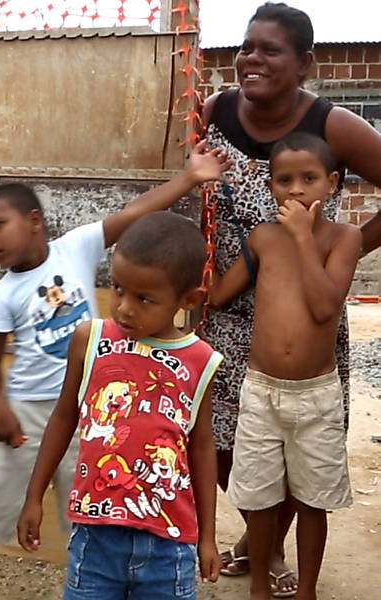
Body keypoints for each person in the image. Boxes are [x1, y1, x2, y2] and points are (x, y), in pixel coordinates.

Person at [0, 142, 230, 600]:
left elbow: (134, 213)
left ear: (35, 221)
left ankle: (100, 570)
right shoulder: (7, 294)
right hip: (34, 409)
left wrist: (188, 178)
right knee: (1, 495)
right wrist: (1, 409)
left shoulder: (76, 248)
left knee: (92, 492)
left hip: (99, 410)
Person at [200, 4, 381, 594]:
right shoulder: (217, 110)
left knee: (302, 447)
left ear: (304, 62)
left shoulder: (336, 127)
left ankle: (269, 550)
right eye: (246, 46)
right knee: (227, 438)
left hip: (306, 303)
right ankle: (260, 536)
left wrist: (338, 251)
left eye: (269, 49)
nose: (251, 58)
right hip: (234, 299)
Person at [17, 211, 223, 599]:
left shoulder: (200, 360)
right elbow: (64, 416)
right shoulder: (89, 340)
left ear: (188, 299)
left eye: (144, 298)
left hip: (170, 544)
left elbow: (201, 445)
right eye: (118, 288)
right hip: (96, 539)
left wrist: (208, 537)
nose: (125, 308)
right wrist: (34, 495)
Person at [210, 133, 359, 600]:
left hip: (316, 396)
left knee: (313, 502)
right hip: (260, 391)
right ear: (271, 185)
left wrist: (301, 237)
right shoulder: (262, 239)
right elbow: (217, 295)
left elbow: (324, 306)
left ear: (331, 183)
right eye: (284, 180)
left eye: (309, 179)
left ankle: (307, 590)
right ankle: (259, 586)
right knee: (258, 498)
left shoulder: (344, 238)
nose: (295, 190)